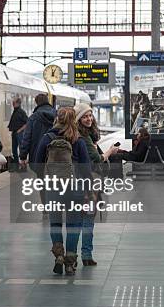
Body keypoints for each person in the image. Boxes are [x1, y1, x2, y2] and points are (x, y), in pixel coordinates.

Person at [34, 107, 92, 275]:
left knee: (55, 223)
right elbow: (86, 168)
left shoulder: (47, 138)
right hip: (75, 188)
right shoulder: (78, 140)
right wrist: (88, 190)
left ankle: (59, 255)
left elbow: (36, 163)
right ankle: (70, 262)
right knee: (74, 225)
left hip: (53, 188)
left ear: (57, 119)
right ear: (74, 120)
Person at [74, 103, 118, 267]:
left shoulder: (83, 136)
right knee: (87, 220)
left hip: (81, 183)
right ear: (78, 120)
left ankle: (75, 254)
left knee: (79, 220)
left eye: (90, 115)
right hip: (88, 185)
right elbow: (96, 158)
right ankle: (86, 254)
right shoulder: (83, 138)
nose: (89, 119)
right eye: (85, 116)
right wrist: (109, 152)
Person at [7, 97, 28, 170]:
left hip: (19, 133)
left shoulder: (21, 112)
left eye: (14, 103)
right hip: (14, 133)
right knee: (14, 150)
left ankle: (23, 164)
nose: (12, 104)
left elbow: (27, 123)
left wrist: (20, 130)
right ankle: (16, 165)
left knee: (21, 149)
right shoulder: (15, 111)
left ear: (18, 103)